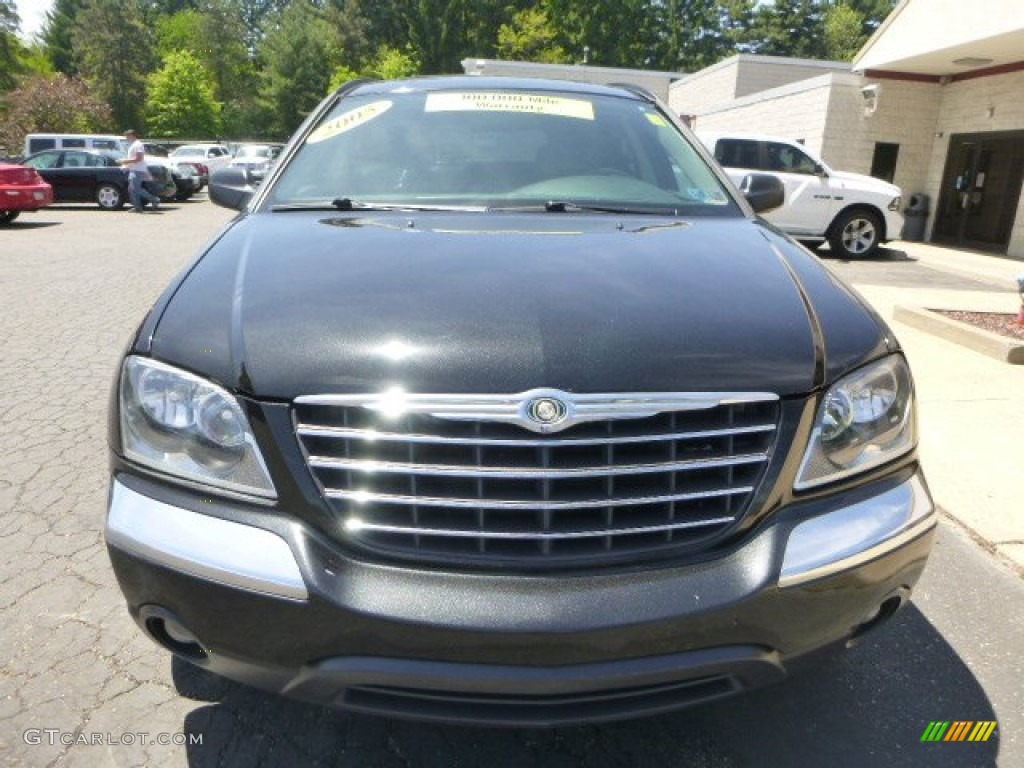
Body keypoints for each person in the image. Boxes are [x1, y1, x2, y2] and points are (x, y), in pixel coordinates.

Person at [118, 129, 161, 212]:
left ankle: (155, 199)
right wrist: (126, 165)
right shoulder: (133, 145)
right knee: (131, 189)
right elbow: (134, 159)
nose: (126, 138)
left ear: (132, 136)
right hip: (134, 170)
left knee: (135, 189)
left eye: (127, 136)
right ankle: (137, 207)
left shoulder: (138, 145)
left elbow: (139, 158)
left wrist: (125, 161)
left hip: (138, 170)